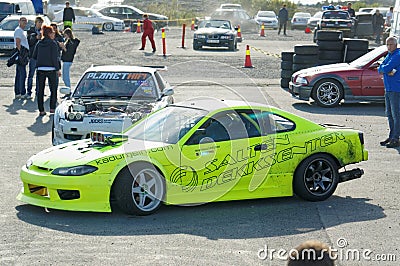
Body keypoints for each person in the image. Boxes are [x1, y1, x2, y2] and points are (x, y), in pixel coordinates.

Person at [32, 25, 61, 116]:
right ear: (49, 33)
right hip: (51, 69)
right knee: (53, 89)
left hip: (40, 69)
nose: (54, 34)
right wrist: (58, 69)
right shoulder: (53, 43)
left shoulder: (39, 43)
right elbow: (55, 58)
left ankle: (41, 110)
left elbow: (34, 56)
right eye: (52, 32)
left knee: (40, 90)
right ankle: (52, 108)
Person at [378, 37, 400, 148]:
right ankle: (392, 136)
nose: (389, 46)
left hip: (396, 89)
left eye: (391, 44)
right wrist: (384, 69)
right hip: (388, 89)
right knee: (389, 114)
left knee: (396, 115)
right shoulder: (389, 55)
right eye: (387, 44)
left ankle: (396, 138)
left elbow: (386, 68)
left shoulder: (397, 55)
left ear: (396, 45)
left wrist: (384, 69)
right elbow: (380, 68)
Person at [27, 16, 44, 98]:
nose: (40, 24)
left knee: (39, 75)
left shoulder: (43, 31)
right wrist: (35, 38)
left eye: (41, 23)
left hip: (40, 56)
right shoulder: (31, 30)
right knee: (31, 74)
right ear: (36, 22)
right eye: (39, 22)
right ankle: (29, 92)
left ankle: (38, 91)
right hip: (33, 56)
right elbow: (29, 42)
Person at [13, 16, 29, 100]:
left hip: (22, 54)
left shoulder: (21, 30)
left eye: (25, 21)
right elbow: (18, 42)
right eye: (23, 21)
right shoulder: (19, 30)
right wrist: (21, 54)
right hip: (21, 55)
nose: (24, 22)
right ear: (19, 21)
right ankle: (22, 92)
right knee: (22, 74)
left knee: (19, 74)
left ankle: (18, 92)